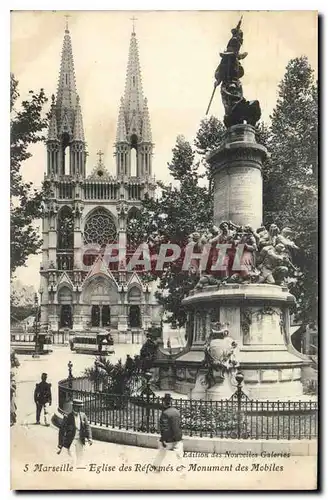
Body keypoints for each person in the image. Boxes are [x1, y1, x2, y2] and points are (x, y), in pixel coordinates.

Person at [57, 399, 92, 467]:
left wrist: (89, 438)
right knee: (72, 459)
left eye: (80, 407)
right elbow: (62, 430)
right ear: (74, 407)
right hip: (71, 440)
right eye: (78, 407)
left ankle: (78, 473)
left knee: (80, 458)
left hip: (80, 440)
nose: (79, 409)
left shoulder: (83, 415)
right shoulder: (67, 416)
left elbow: (87, 427)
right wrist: (60, 443)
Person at [153, 393, 183, 470]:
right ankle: (181, 471)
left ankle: (156, 466)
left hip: (169, 439)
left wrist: (163, 439)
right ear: (171, 402)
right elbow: (179, 425)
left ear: (164, 403)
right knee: (179, 455)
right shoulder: (177, 411)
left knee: (162, 452)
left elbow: (165, 429)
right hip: (178, 437)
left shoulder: (165, 414)